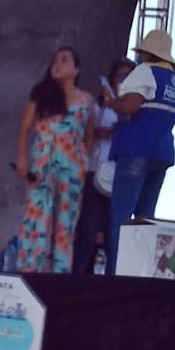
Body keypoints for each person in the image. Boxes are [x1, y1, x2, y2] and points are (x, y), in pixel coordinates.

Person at [107, 28, 175, 274]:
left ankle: (116, 273)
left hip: (136, 148)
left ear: (147, 53)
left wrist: (110, 101)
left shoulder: (145, 71)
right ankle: (139, 274)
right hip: (162, 152)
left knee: (121, 215)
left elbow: (130, 107)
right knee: (145, 218)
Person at [14, 46, 93, 274]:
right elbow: (24, 128)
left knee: (66, 223)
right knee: (36, 217)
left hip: (72, 169)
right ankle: (29, 271)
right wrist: (23, 158)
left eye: (64, 60)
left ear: (76, 69)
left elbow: (89, 135)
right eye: (55, 61)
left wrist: (81, 159)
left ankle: (60, 274)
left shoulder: (86, 100)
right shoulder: (41, 94)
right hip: (42, 165)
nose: (57, 65)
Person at [72, 57, 134, 275]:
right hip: (95, 172)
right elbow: (84, 134)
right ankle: (77, 277)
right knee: (87, 230)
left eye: (129, 76)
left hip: (120, 177)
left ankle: (110, 279)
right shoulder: (99, 105)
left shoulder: (135, 109)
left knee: (112, 232)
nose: (124, 80)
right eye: (120, 75)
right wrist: (100, 132)